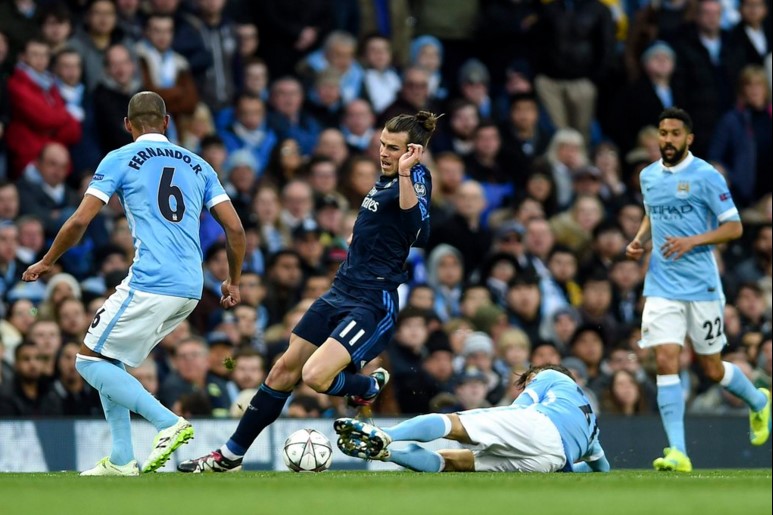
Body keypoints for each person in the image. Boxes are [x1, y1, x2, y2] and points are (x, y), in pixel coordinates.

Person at [178, 110, 440, 473]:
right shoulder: (383, 181)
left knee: (315, 377)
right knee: (282, 370)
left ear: (413, 151)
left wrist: (408, 171)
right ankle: (229, 456)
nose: (383, 152)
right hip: (340, 291)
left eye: (393, 148)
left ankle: (365, 386)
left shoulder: (415, 178)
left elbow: (419, 232)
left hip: (371, 302)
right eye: (381, 144)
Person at [21, 91, 246, 476]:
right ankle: (123, 458)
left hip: (152, 281)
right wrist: (233, 281)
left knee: (88, 359)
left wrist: (46, 260)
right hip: (192, 287)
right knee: (110, 360)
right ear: (166, 122)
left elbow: (79, 221)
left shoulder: (120, 158)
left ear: (128, 125)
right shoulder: (199, 164)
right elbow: (236, 228)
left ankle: (167, 422)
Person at [625, 107, 771, 473]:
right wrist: (640, 239)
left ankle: (758, 400)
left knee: (711, 368)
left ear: (688, 138)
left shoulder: (707, 176)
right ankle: (678, 452)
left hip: (703, 286)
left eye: (675, 133)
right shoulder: (648, 176)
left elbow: (734, 227)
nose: (667, 140)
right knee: (665, 359)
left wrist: (693, 241)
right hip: (660, 285)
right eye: (662, 133)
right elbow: (651, 211)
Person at [334, 364, 610, 474]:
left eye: (528, 381)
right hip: (551, 461)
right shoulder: (592, 427)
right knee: (455, 464)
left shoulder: (551, 376)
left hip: (538, 426)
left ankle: (387, 434)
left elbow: (520, 409)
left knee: (452, 424)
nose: (528, 385)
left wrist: (489, 424)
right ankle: (387, 454)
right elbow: (602, 469)